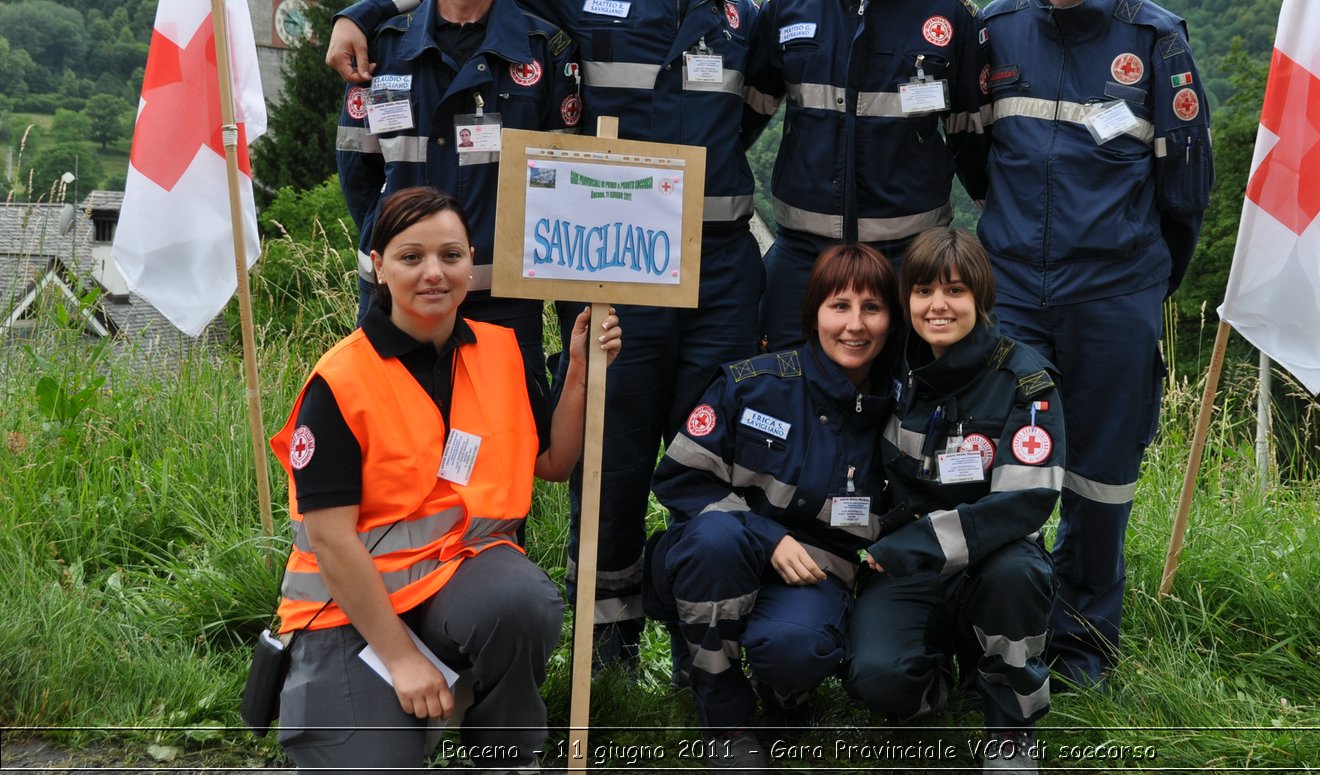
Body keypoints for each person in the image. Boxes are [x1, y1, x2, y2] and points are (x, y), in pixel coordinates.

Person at [325, 0, 765, 667]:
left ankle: (673, 644)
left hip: (696, 270)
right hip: (557, 279)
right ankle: (578, 642)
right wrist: (365, 7)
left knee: (676, 453)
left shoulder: (739, 10)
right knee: (602, 457)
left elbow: (751, 115)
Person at [269, 186, 620, 773]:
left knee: (522, 603)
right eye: (411, 257)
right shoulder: (340, 381)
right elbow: (330, 540)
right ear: (378, 267)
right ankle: (417, 699)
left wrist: (580, 368)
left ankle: (502, 756)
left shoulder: (501, 353)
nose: (434, 273)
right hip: (351, 608)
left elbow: (555, 462)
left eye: (451, 256)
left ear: (470, 262)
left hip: (459, 584)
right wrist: (402, 659)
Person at [968, 0, 1213, 685]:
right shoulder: (993, 32)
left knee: (1101, 483)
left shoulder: (1155, 39)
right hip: (1012, 299)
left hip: (1114, 297)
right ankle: (1005, 641)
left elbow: (1185, 192)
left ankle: (1082, 653)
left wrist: (1139, 283)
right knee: (1007, 470)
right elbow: (973, 157)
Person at [645, 243, 900, 769]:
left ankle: (789, 699)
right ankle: (725, 720)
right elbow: (680, 479)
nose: (855, 325)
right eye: (840, 306)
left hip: (813, 580)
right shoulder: (753, 383)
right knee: (717, 540)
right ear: (813, 314)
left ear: (891, 321)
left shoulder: (900, 413)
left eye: (872, 308)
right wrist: (768, 537)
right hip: (717, 560)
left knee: (793, 649)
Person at [744, 0, 986, 352]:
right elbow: (736, 127)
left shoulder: (951, 13)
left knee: (907, 420)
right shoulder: (786, 5)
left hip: (912, 265)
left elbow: (978, 153)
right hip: (803, 260)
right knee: (790, 407)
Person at [336, 0, 577, 369]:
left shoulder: (545, 52)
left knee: (505, 448)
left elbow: (562, 186)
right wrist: (406, 254)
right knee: (398, 446)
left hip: (503, 309)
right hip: (395, 304)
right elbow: (358, 174)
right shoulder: (383, 48)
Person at [843, 228, 1063, 773]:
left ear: (980, 298)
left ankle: (1011, 731)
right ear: (907, 300)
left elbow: (1025, 503)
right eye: (922, 292)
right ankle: (950, 677)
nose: (937, 306)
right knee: (877, 681)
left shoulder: (1025, 380)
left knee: (1017, 575)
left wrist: (910, 546)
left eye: (955, 291)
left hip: (991, 557)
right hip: (910, 570)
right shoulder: (891, 365)